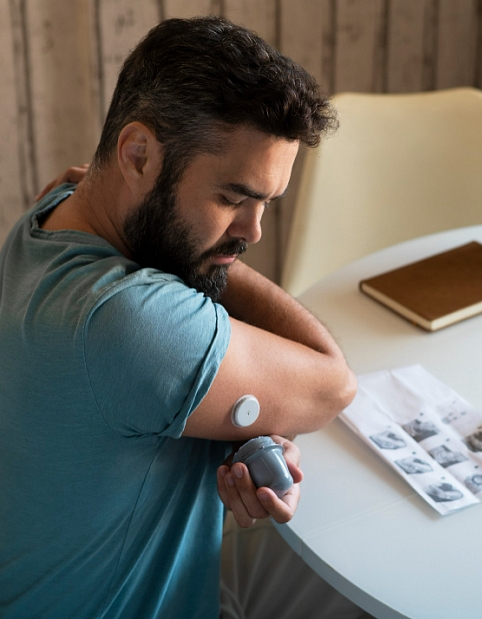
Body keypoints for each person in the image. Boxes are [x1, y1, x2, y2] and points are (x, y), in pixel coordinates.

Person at [0, 16, 364, 619]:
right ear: (137, 154)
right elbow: (331, 385)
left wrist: (243, 428)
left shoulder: (49, 214)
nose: (253, 231)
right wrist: (211, 262)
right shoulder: (125, 321)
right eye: (232, 198)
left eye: (266, 203)